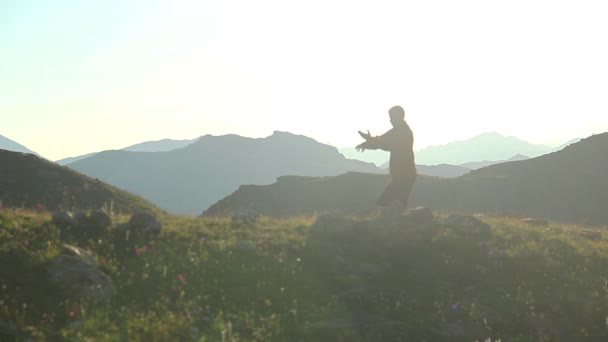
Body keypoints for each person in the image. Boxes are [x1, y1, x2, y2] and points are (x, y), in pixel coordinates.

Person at [356, 105, 417, 213]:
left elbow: (389, 145)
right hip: (401, 176)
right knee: (397, 205)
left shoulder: (405, 132)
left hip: (405, 176)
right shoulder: (396, 131)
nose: (390, 120)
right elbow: (381, 140)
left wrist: (370, 141)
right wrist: (366, 143)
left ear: (399, 116)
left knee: (384, 202)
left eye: (392, 117)